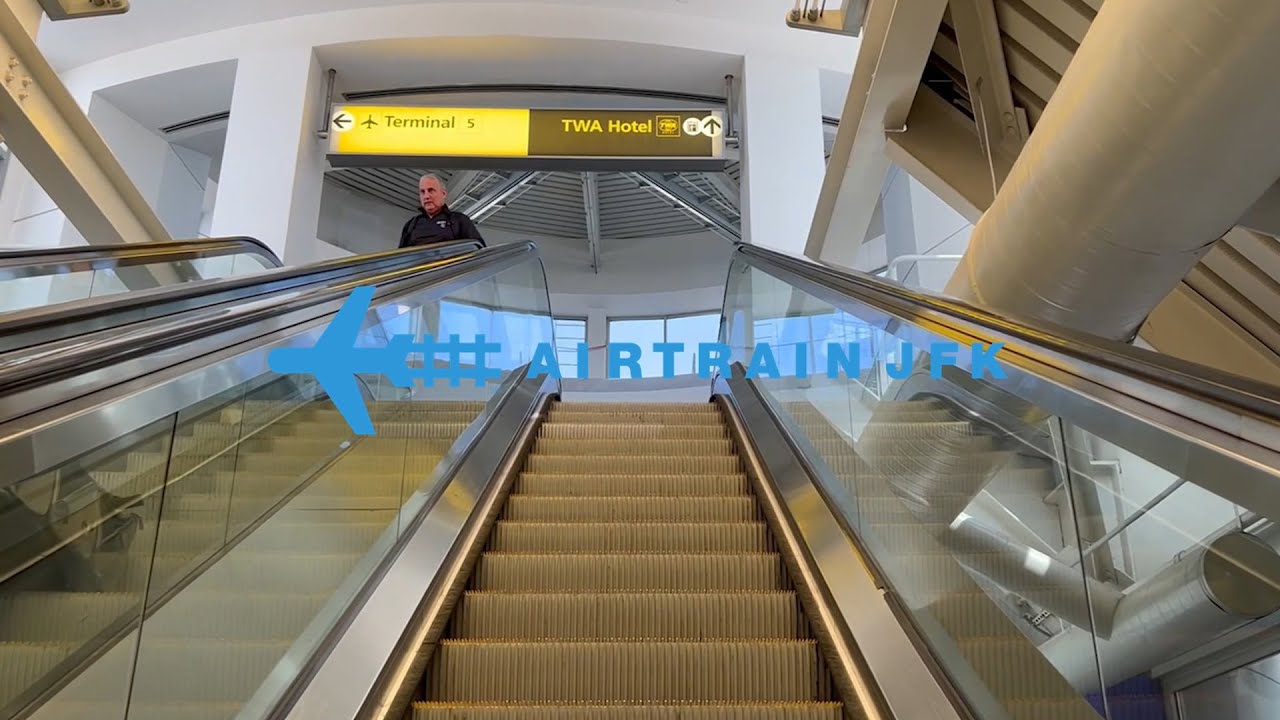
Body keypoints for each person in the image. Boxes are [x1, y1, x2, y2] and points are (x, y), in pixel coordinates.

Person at [398, 173, 486, 249]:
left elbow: (478, 251)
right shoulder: (411, 224)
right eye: (422, 192)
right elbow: (400, 258)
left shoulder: (459, 221)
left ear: (443, 194)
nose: (426, 196)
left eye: (431, 190)